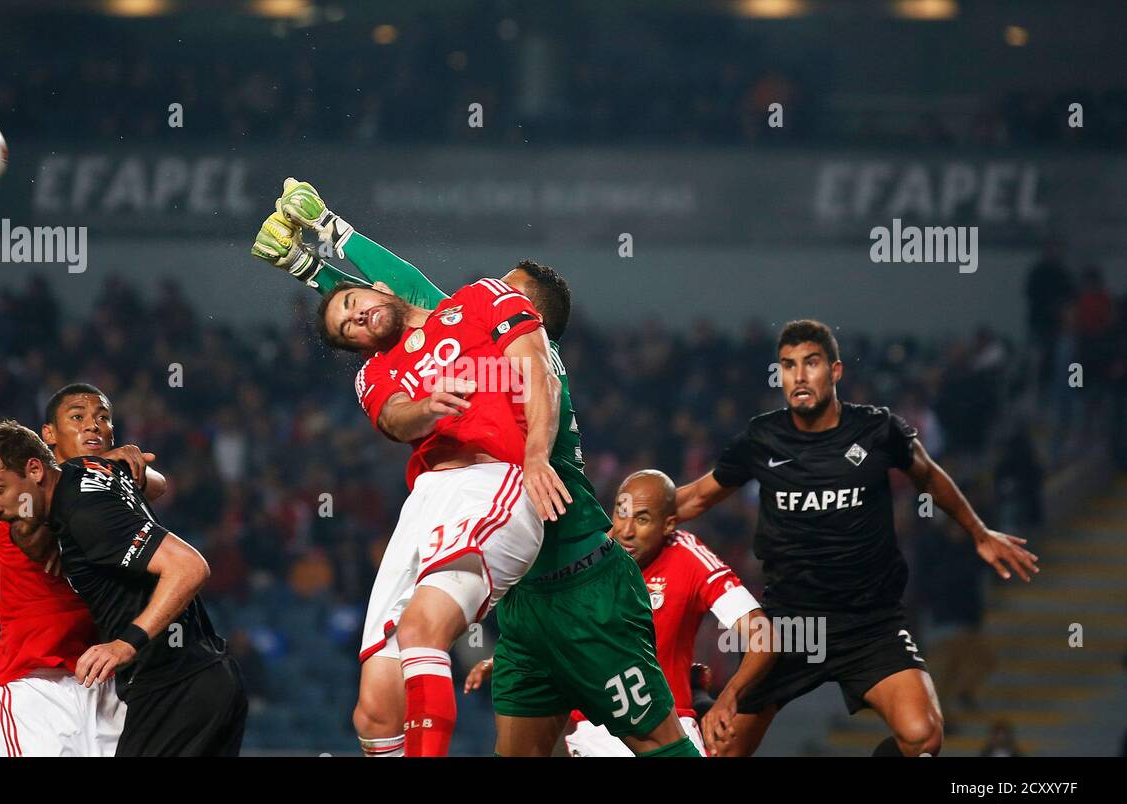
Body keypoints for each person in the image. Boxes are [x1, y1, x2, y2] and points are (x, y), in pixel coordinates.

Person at [254, 179, 696, 756]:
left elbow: (420, 305)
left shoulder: (530, 363)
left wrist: (326, 252)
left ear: (528, 311)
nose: (478, 293)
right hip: (522, 599)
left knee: (655, 742)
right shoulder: (468, 332)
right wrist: (316, 267)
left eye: (507, 291)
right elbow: (408, 310)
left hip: (580, 580)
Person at [672, 319, 1039, 757]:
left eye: (811, 363)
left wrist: (978, 532)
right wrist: (618, 525)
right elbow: (695, 498)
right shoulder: (762, 438)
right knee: (722, 752)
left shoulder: (877, 429)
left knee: (923, 737)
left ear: (835, 371)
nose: (799, 376)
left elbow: (927, 475)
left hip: (870, 623)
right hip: (790, 626)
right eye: (788, 366)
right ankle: (700, 700)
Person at [0, 421, 247, 756]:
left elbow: (189, 565)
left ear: (36, 469)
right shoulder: (84, 478)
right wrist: (119, 462)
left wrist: (126, 644)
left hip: (163, 684)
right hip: (194, 674)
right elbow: (149, 483)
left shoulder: (86, 513)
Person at [465, 469, 774, 756]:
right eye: (621, 514)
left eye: (642, 519)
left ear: (668, 524)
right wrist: (505, 658)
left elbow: (763, 636)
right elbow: (561, 629)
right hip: (594, 732)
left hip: (667, 727)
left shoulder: (688, 557)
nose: (626, 530)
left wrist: (728, 697)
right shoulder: (590, 559)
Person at [0, 382, 163, 757]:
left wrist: (115, 468)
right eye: (78, 418)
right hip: (35, 685)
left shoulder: (99, 488)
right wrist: (111, 466)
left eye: (102, 418)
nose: (92, 426)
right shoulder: (25, 494)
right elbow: (31, 533)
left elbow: (159, 484)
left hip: (103, 678)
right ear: (48, 435)